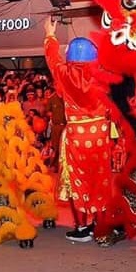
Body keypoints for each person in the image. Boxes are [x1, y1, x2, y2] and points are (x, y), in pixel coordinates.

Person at [43, 17, 112, 242]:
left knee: (78, 181)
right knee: (100, 179)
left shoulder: (64, 72)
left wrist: (50, 34)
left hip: (78, 135)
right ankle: (100, 226)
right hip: (101, 133)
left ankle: (82, 228)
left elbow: (52, 58)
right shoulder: (102, 73)